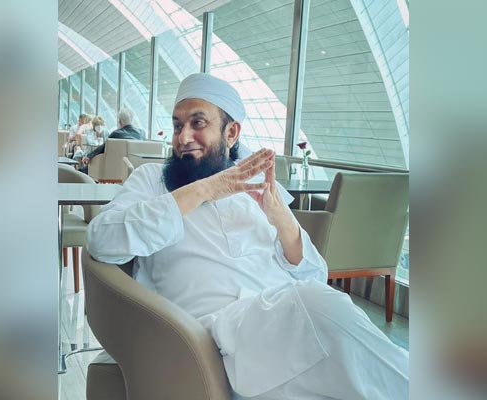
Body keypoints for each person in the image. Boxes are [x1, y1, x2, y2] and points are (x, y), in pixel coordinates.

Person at [86, 73, 408, 400]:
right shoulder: (152, 179)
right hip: (209, 338)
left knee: (343, 351)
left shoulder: (254, 185)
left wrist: (281, 218)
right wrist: (204, 190)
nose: (183, 137)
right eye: (177, 125)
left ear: (232, 132)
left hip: (288, 333)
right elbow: (102, 239)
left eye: (198, 123)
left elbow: (315, 274)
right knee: (322, 308)